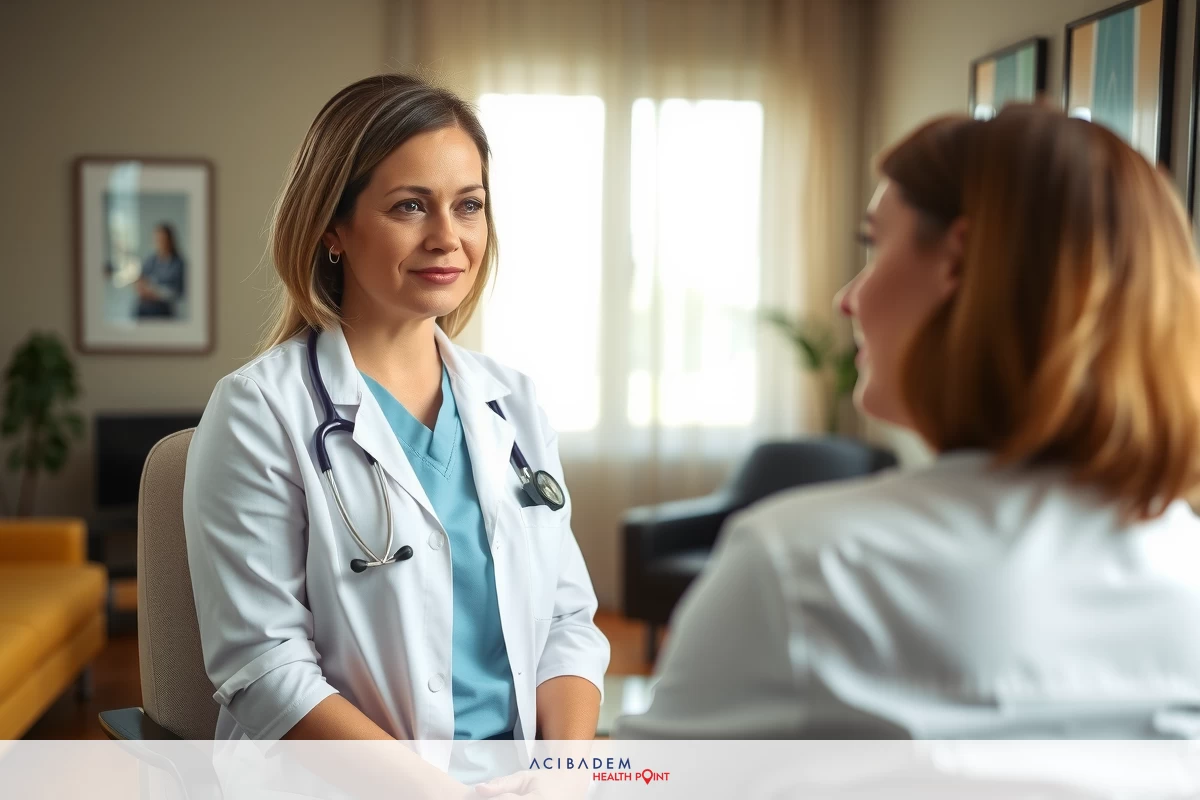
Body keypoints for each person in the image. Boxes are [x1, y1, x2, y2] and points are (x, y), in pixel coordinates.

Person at [613, 104, 1200, 739]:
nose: (848, 297)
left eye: (874, 244)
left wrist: (557, 767)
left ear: (957, 260)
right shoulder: (1182, 565)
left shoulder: (807, 569)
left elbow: (648, 778)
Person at [182, 74, 609, 781]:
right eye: (411, 206)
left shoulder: (515, 403)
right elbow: (265, 668)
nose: (448, 237)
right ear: (333, 230)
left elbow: (568, 625)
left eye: (468, 206)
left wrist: (564, 776)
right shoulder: (260, 411)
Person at [135, 222, 186, 318]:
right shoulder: (151, 261)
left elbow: (178, 292)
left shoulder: (178, 263)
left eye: (162, 239)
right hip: (146, 308)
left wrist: (155, 293)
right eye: (157, 239)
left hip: (164, 310)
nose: (159, 242)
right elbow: (142, 279)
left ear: (169, 240)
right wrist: (141, 287)